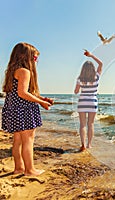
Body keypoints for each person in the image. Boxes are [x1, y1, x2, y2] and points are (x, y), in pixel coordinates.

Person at [1, 42, 54, 176]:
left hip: (14, 110)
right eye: (35, 58)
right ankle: (30, 170)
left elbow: (22, 91)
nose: (36, 61)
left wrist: (42, 99)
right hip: (24, 110)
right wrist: (41, 101)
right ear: (26, 57)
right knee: (28, 141)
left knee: (17, 141)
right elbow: (23, 93)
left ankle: (19, 168)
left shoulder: (13, 71)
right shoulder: (25, 71)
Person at [74, 50, 103, 151]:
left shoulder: (80, 78)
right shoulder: (96, 77)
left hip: (82, 102)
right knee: (90, 124)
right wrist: (91, 56)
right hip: (92, 102)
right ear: (93, 69)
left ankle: (83, 145)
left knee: (82, 124)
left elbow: (76, 92)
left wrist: (79, 87)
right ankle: (89, 144)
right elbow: (101, 63)